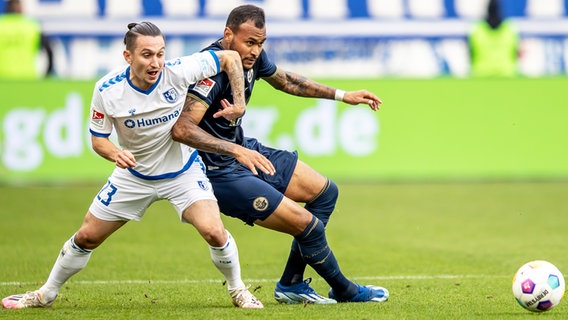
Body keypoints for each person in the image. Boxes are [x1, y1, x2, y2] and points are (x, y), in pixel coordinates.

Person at [1, 21, 263, 310]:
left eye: (160, 54)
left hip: (182, 172)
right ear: (128, 57)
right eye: (147, 55)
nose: (156, 63)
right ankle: (45, 294)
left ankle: (238, 290)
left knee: (214, 230)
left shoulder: (178, 71)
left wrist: (240, 103)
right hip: (133, 176)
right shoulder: (107, 90)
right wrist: (115, 153)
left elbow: (230, 58)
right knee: (86, 236)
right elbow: (98, 139)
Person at [171, 4, 389, 304]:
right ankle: (345, 290)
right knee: (307, 225)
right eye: (250, 43)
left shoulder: (252, 58)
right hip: (216, 170)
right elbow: (182, 129)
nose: (256, 51)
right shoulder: (209, 69)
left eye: (261, 43)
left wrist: (342, 95)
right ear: (227, 34)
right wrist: (234, 150)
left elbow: (285, 81)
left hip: (243, 151)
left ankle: (291, 284)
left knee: (325, 193)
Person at [0, 0, 54, 79]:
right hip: (28, 80)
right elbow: (49, 52)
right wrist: (47, 75)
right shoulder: (31, 26)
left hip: (3, 80)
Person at [468, 0, 519, 77]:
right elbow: (515, 54)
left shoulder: (477, 29)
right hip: (506, 74)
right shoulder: (509, 29)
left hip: (481, 74)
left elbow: (470, 54)